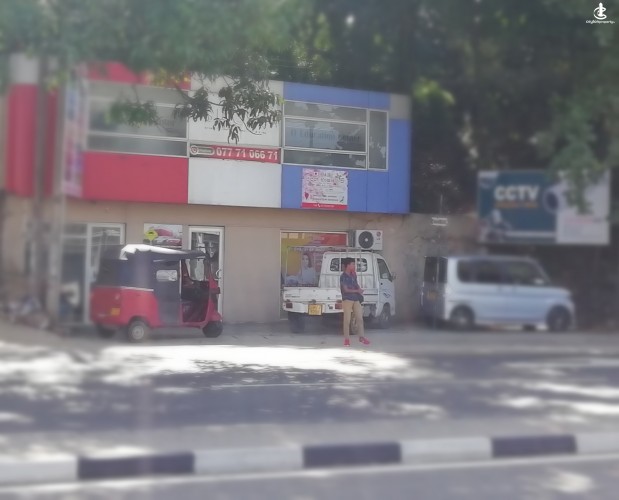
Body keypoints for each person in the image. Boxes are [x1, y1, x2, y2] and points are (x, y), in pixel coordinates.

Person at [340, 257, 370, 347]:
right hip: (347, 299)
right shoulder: (343, 276)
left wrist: (359, 289)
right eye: (353, 264)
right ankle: (346, 339)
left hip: (356, 299)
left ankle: (361, 337)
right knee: (347, 320)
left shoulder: (354, 275)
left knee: (359, 319)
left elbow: (356, 284)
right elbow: (345, 290)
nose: (354, 266)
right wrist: (357, 291)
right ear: (348, 265)